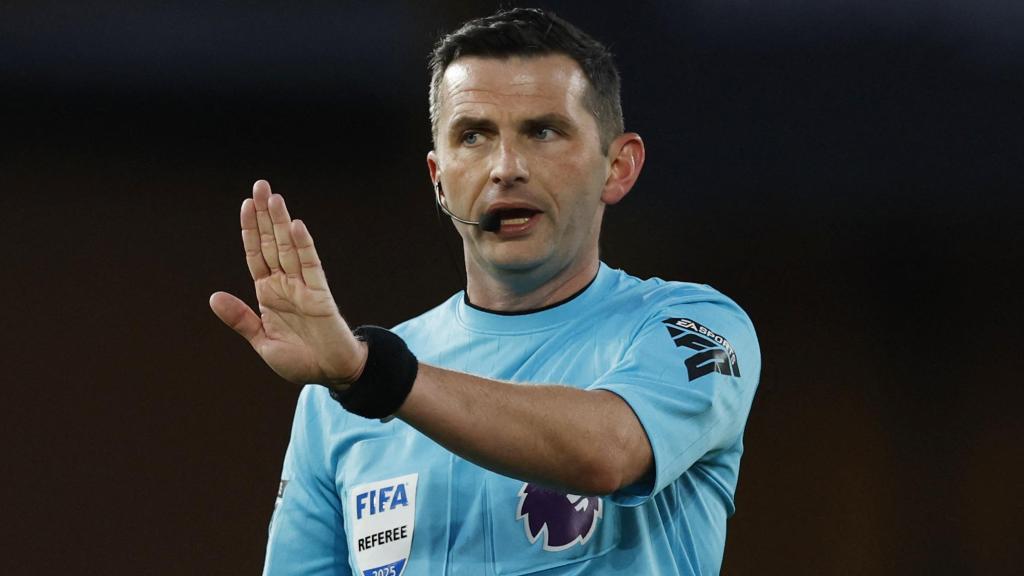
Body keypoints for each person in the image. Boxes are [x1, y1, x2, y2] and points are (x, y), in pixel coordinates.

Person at [210, 8, 760, 576]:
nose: (506, 168)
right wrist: (361, 376)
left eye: (542, 131)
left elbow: (609, 452)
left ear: (618, 167)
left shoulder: (693, 327)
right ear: (438, 177)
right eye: (473, 136)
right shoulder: (337, 398)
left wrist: (376, 376)